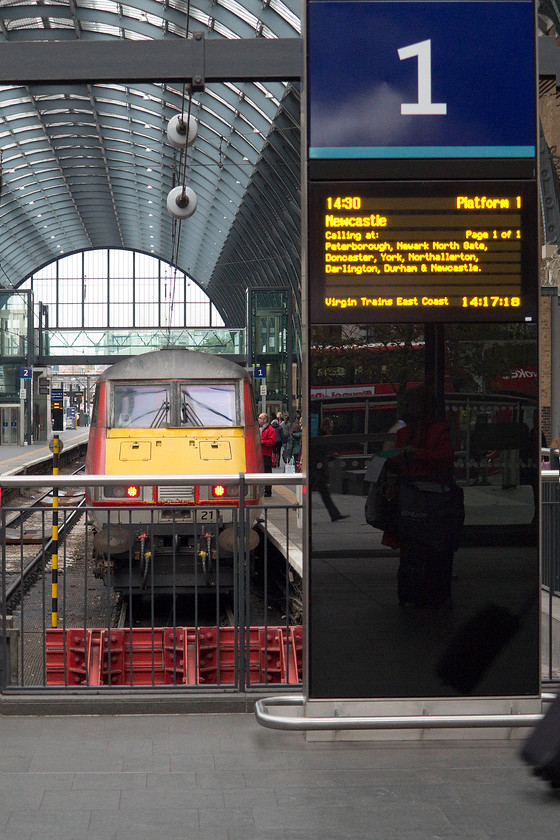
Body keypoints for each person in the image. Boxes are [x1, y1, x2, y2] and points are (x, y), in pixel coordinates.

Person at [385, 385, 456, 607]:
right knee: (420, 547)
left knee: (417, 546)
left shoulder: (421, 431)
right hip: (422, 497)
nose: (409, 408)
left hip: (420, 498)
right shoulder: (410, 432)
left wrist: (413, 454)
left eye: (412, 403)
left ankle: (414, 592)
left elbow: (444, 456)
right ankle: (422, 592)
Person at [309, 418, 349, 522]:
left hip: (319, 467)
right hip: (317, 468)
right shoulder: (321, 436)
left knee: (324, 492)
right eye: (330, 425)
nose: (332, 427)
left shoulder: (322, 435)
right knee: (314, 491)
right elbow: (319, 452)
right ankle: (302, 511)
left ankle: (334, 514)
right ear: (326, 426)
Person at [258, 413, 277, 497]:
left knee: (267, 471)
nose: (258, 419)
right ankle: (262, 489)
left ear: (265, 420)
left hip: (266, 454)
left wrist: (262, 442)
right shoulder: (259, 429)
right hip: (259, 453)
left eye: (260, 418)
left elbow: (272, 441)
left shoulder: (270, 429)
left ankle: (268, 490)